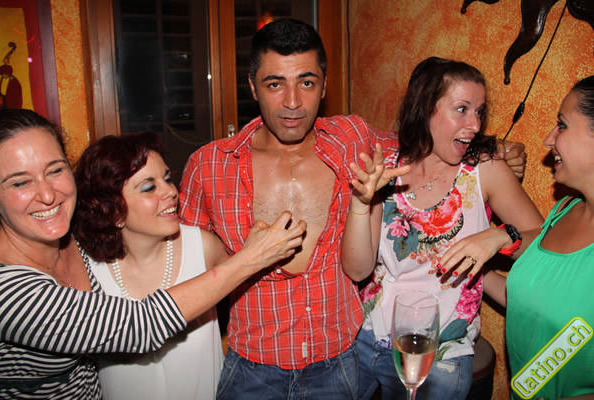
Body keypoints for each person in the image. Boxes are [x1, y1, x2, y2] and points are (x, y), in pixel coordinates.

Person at [178, 19, 528, 399]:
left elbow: (423, 138)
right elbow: (180, 272)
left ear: (325, 86)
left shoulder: (354, 139)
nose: (292, 102)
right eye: (275, 84)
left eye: (307, 83)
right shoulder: (209, 167)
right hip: (252, 369)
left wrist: (494, 148)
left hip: (339, 367)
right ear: (252, 87)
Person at [0, 108, 306, 399]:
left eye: (55, 170)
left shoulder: (75, 238)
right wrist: (251, 257)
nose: (47, 194)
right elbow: (140, 326)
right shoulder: (3, 291)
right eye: (20, 182)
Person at [341, 57, 544, 400]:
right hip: (366, 338)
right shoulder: (387, 170)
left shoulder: (485, 171)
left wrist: (499, 236)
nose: (474, 124)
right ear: (425, 108)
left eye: (479, 112)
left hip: (439, 355)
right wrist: (361, 203)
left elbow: (543, 242)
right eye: (461, 109)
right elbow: (358, 270)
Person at [439, 76, 594, 400]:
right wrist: (483, 250)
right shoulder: (565, 209)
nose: (548, 140)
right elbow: (532, 297)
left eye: (562, 125)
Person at [71, 132, 228, 399]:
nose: (171, 192)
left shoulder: (202, 248)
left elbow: (245, 313)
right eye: (148, 187)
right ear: (113, 210)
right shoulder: (87, 269)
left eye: (167, 179)